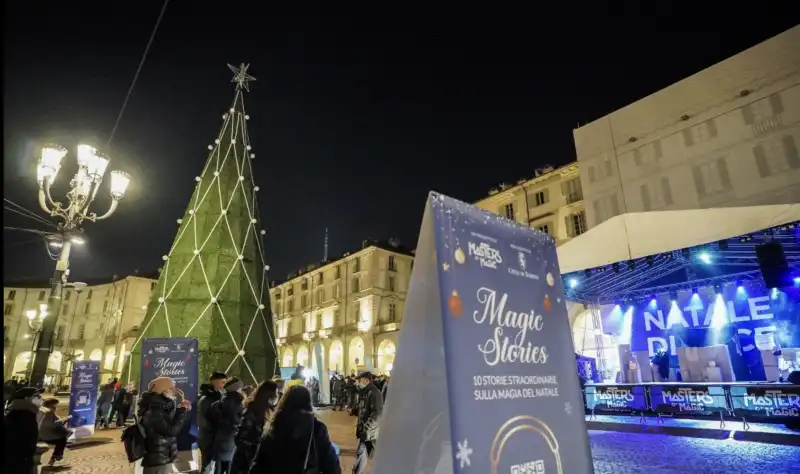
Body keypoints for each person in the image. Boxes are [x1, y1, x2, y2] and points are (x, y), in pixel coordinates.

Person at [250, 385, 341, 473]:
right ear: (308, 403)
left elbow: (259, 465)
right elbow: (331, 465)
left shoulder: (273, 426)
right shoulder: (317, 428)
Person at [139, 376, 191, 474]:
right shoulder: (155, 410)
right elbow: (171, 431)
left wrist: (181, 410)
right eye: (171, 388)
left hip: (162, 457)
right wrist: (182, 411)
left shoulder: (159, 406)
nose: (174, 392)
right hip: (159, 459)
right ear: (162, 391)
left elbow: (167, 424)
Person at [231, 380, 279, 473]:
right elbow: (240, 438)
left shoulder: (269, 411)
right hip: (244, 464)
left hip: (257, 463)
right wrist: (258, 446)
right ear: (269, 394)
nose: (278, 395)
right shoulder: (252, 412)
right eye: (276, 392)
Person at [4, 387, 44, 473]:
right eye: (36, 396)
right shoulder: (25, 416)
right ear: (26, 398)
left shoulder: (21, 412)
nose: (40, 398)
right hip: (19, 461)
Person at [210, 377, 246, 474]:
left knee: (219, 468)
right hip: (231, 438)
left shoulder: (222, 399)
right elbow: (236, 420)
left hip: (221, 437)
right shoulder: (237, 401)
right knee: (229, 467)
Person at [352, 371, 383, 474]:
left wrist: (366, 428)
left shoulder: (374, 393)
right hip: (366, 433)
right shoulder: (364, 393)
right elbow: (364, 411)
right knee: (361, 455)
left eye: (359, 380)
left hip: (372, 433)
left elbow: (377, 414)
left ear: (366, 380)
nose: (357, 383)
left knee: (381, 458)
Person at [198, 371, 228, 473]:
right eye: (223, 382)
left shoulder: (216, 396)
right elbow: (211, 418)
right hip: (209, 438)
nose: (225, 385)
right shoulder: (207, 398)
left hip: (212, 437)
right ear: (214, 382)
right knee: (207, 466)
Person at [39, 398, 73, 466]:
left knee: (62, 440)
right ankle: (56, 457)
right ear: (51, 405)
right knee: (62, 440)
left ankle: (55, 458)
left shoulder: (49, 412)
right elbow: (51, 424)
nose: (56, 407)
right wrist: (62, 421)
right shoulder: (48, 413)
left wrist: (63, 421)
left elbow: (54, 423)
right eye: (55, 406)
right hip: (47, 436)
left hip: (48, 434)